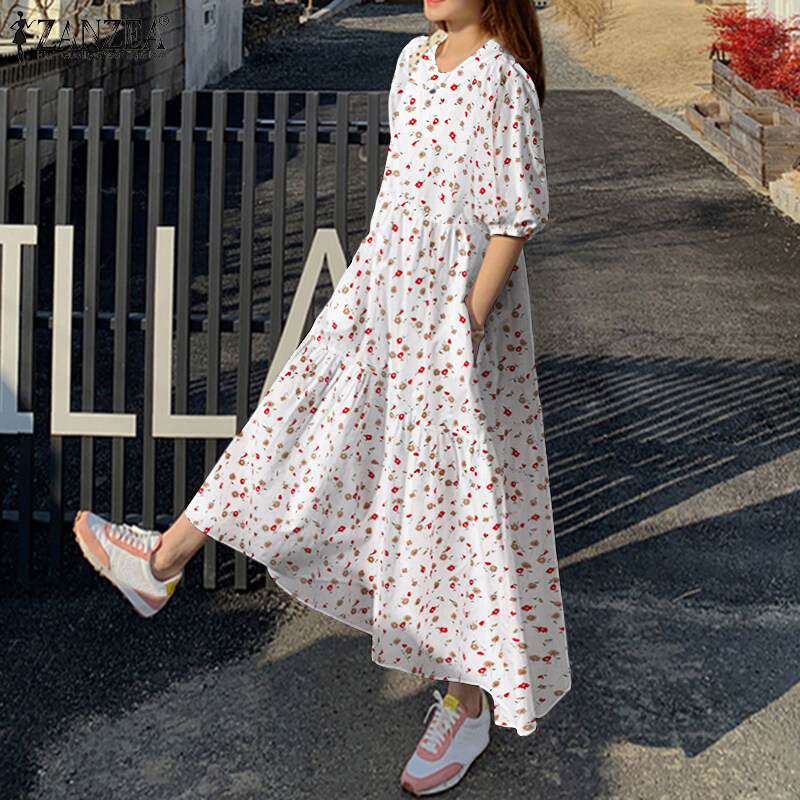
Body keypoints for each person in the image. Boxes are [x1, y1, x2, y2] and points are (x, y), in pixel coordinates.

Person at [73, 0, 572, 794]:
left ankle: (468, 700)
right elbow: (403, 193)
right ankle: (163, 559)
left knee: (455, 498)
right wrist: (371, 289)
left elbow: (514, 220)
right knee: (293, 417)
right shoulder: (412, 62)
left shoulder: (502, 80)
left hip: (458, 317)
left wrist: (466, 326)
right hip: (383, 291)